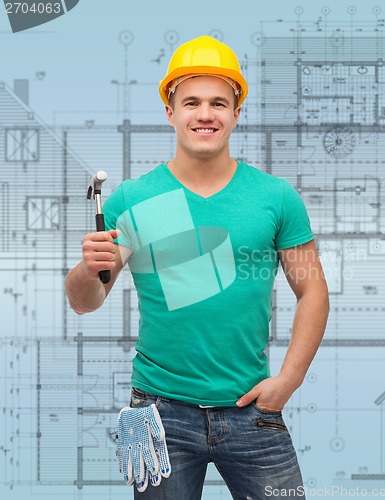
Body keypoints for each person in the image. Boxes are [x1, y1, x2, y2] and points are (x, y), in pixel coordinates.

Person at [65, 35, 330, 499]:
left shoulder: (275, 197)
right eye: (191, 102)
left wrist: (289, 379)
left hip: (254, 411)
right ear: (171, 112)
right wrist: (88, 269)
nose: (205, 114)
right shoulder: (133, 198)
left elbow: (313, 292)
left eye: (218, 103)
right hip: (160, 412)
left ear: (236, 113)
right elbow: (86, 302)